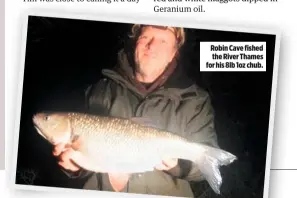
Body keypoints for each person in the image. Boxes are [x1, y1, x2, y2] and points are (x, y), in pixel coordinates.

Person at [52, 24, 219, 197]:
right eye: (145, 38)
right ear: (135, 44)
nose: (152, 46)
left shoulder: (194, 100)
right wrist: (75, 167)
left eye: (163, 41)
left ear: (173, 53)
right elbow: (89, 161)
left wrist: (177, 165)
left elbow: (201, 169)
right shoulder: (99, 90)